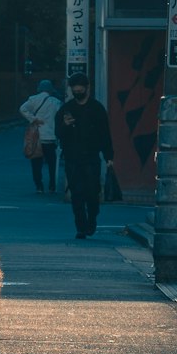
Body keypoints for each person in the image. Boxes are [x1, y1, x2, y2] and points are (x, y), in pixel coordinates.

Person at [54, 72, 115, 239]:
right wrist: (65, 126)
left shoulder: (96, 109)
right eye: (75, 89)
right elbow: (58, 133)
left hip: (91, 157)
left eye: (80, 89)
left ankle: (92, 217)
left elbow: (105, 134)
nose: (77, 91)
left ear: (87, 88)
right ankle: (81, 226)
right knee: (77, 193)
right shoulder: (66, 109)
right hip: (72, 158)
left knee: (92, 192)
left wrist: (109, 157)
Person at [20, 79, 62, 194]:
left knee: (36, 163)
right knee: (51, 163)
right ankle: (52, 185)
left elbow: (22, 109)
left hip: (37, 137)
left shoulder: (33, 99)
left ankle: (39, 186)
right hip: (50, 137)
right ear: (50, 90)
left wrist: (33, 119)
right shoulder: (56, 102)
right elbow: (60, 118)